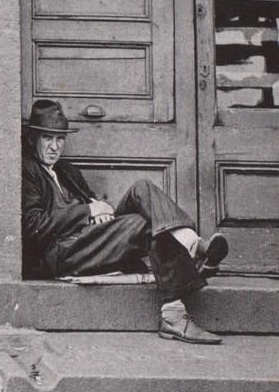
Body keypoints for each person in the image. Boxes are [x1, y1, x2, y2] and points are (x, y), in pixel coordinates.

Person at [22, 99, 228, 344]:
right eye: (47, 138)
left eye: (60, 139)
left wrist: (100, 212)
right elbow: (34, 225)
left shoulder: (66, 171)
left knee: (143, 189)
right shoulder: (27, 170)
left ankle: (193, 244)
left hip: (91, 239)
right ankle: (175, 311)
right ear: (33, 138)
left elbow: (93, 205)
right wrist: (88, 210)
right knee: (143, 224)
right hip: (62, 251)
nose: (55, 147)